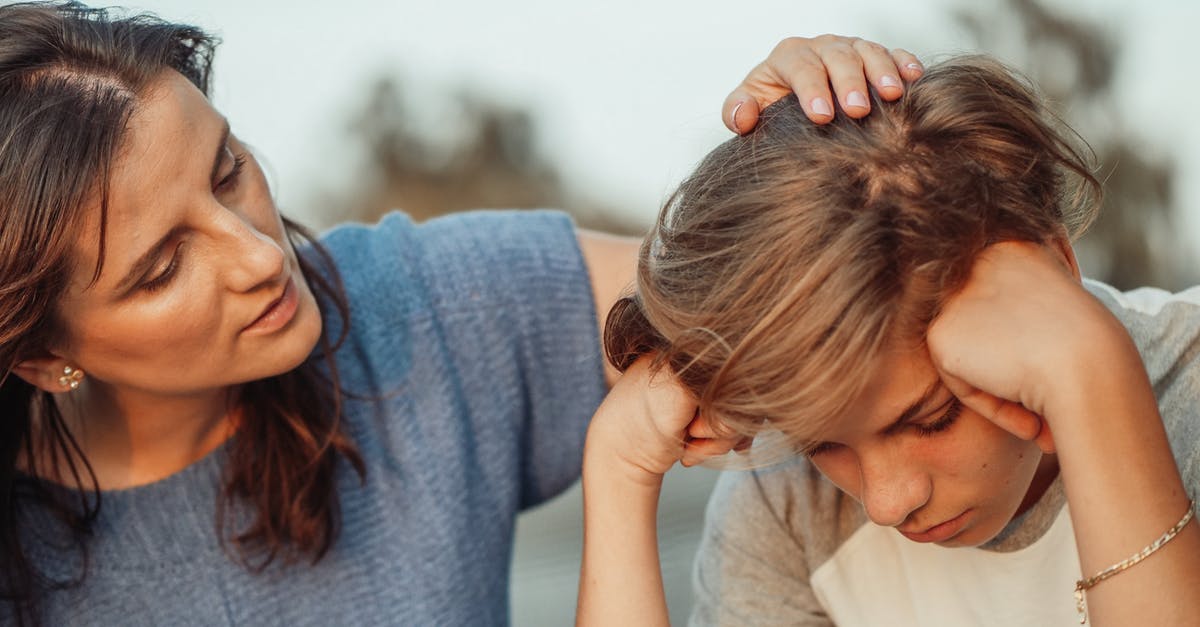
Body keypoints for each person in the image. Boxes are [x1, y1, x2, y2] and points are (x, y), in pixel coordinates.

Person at [0, 1, 925, 624]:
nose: (261, 256)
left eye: (227, 170)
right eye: (163, 267)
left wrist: (826, 150)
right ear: (41, 354)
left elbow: (773, 284)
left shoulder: (425, 305)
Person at [577, 55, 1200, 627]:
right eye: (821, 443)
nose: (886, 502)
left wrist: (1092, 375)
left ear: (1057, 271)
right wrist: (618, 470)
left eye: (932, 418)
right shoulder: (788, 509)